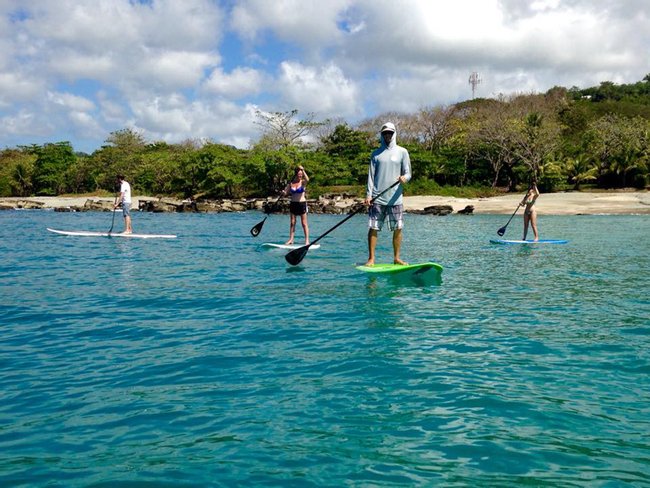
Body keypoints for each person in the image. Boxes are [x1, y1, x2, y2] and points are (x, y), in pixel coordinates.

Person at [364, 122, 411, 266]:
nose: (387, 135)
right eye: (385, 133)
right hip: (378, 198)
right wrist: (368, 195)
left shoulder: (402, 152)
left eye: (390, 133)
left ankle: (396, 258)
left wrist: (405, 178)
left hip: (396, 198)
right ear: (382, 135)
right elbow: (371, 177)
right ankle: (371, 259)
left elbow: (408, 173)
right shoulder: (375, 154)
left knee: (398, 228)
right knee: (373, 228)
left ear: (394, 133)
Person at [282, 165, 310, 245]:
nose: (300, 175)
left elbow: (308, 179)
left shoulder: (303, 182)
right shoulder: (291, 183)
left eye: (301, 174)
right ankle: (291, 239)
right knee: (292, 222)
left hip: (302, 204)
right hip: (293, 204)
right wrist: (283, 193)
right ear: (296, 174)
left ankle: (307, 240)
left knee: (304, 223)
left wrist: (303, 169)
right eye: (299, 174)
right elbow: (286, 193)